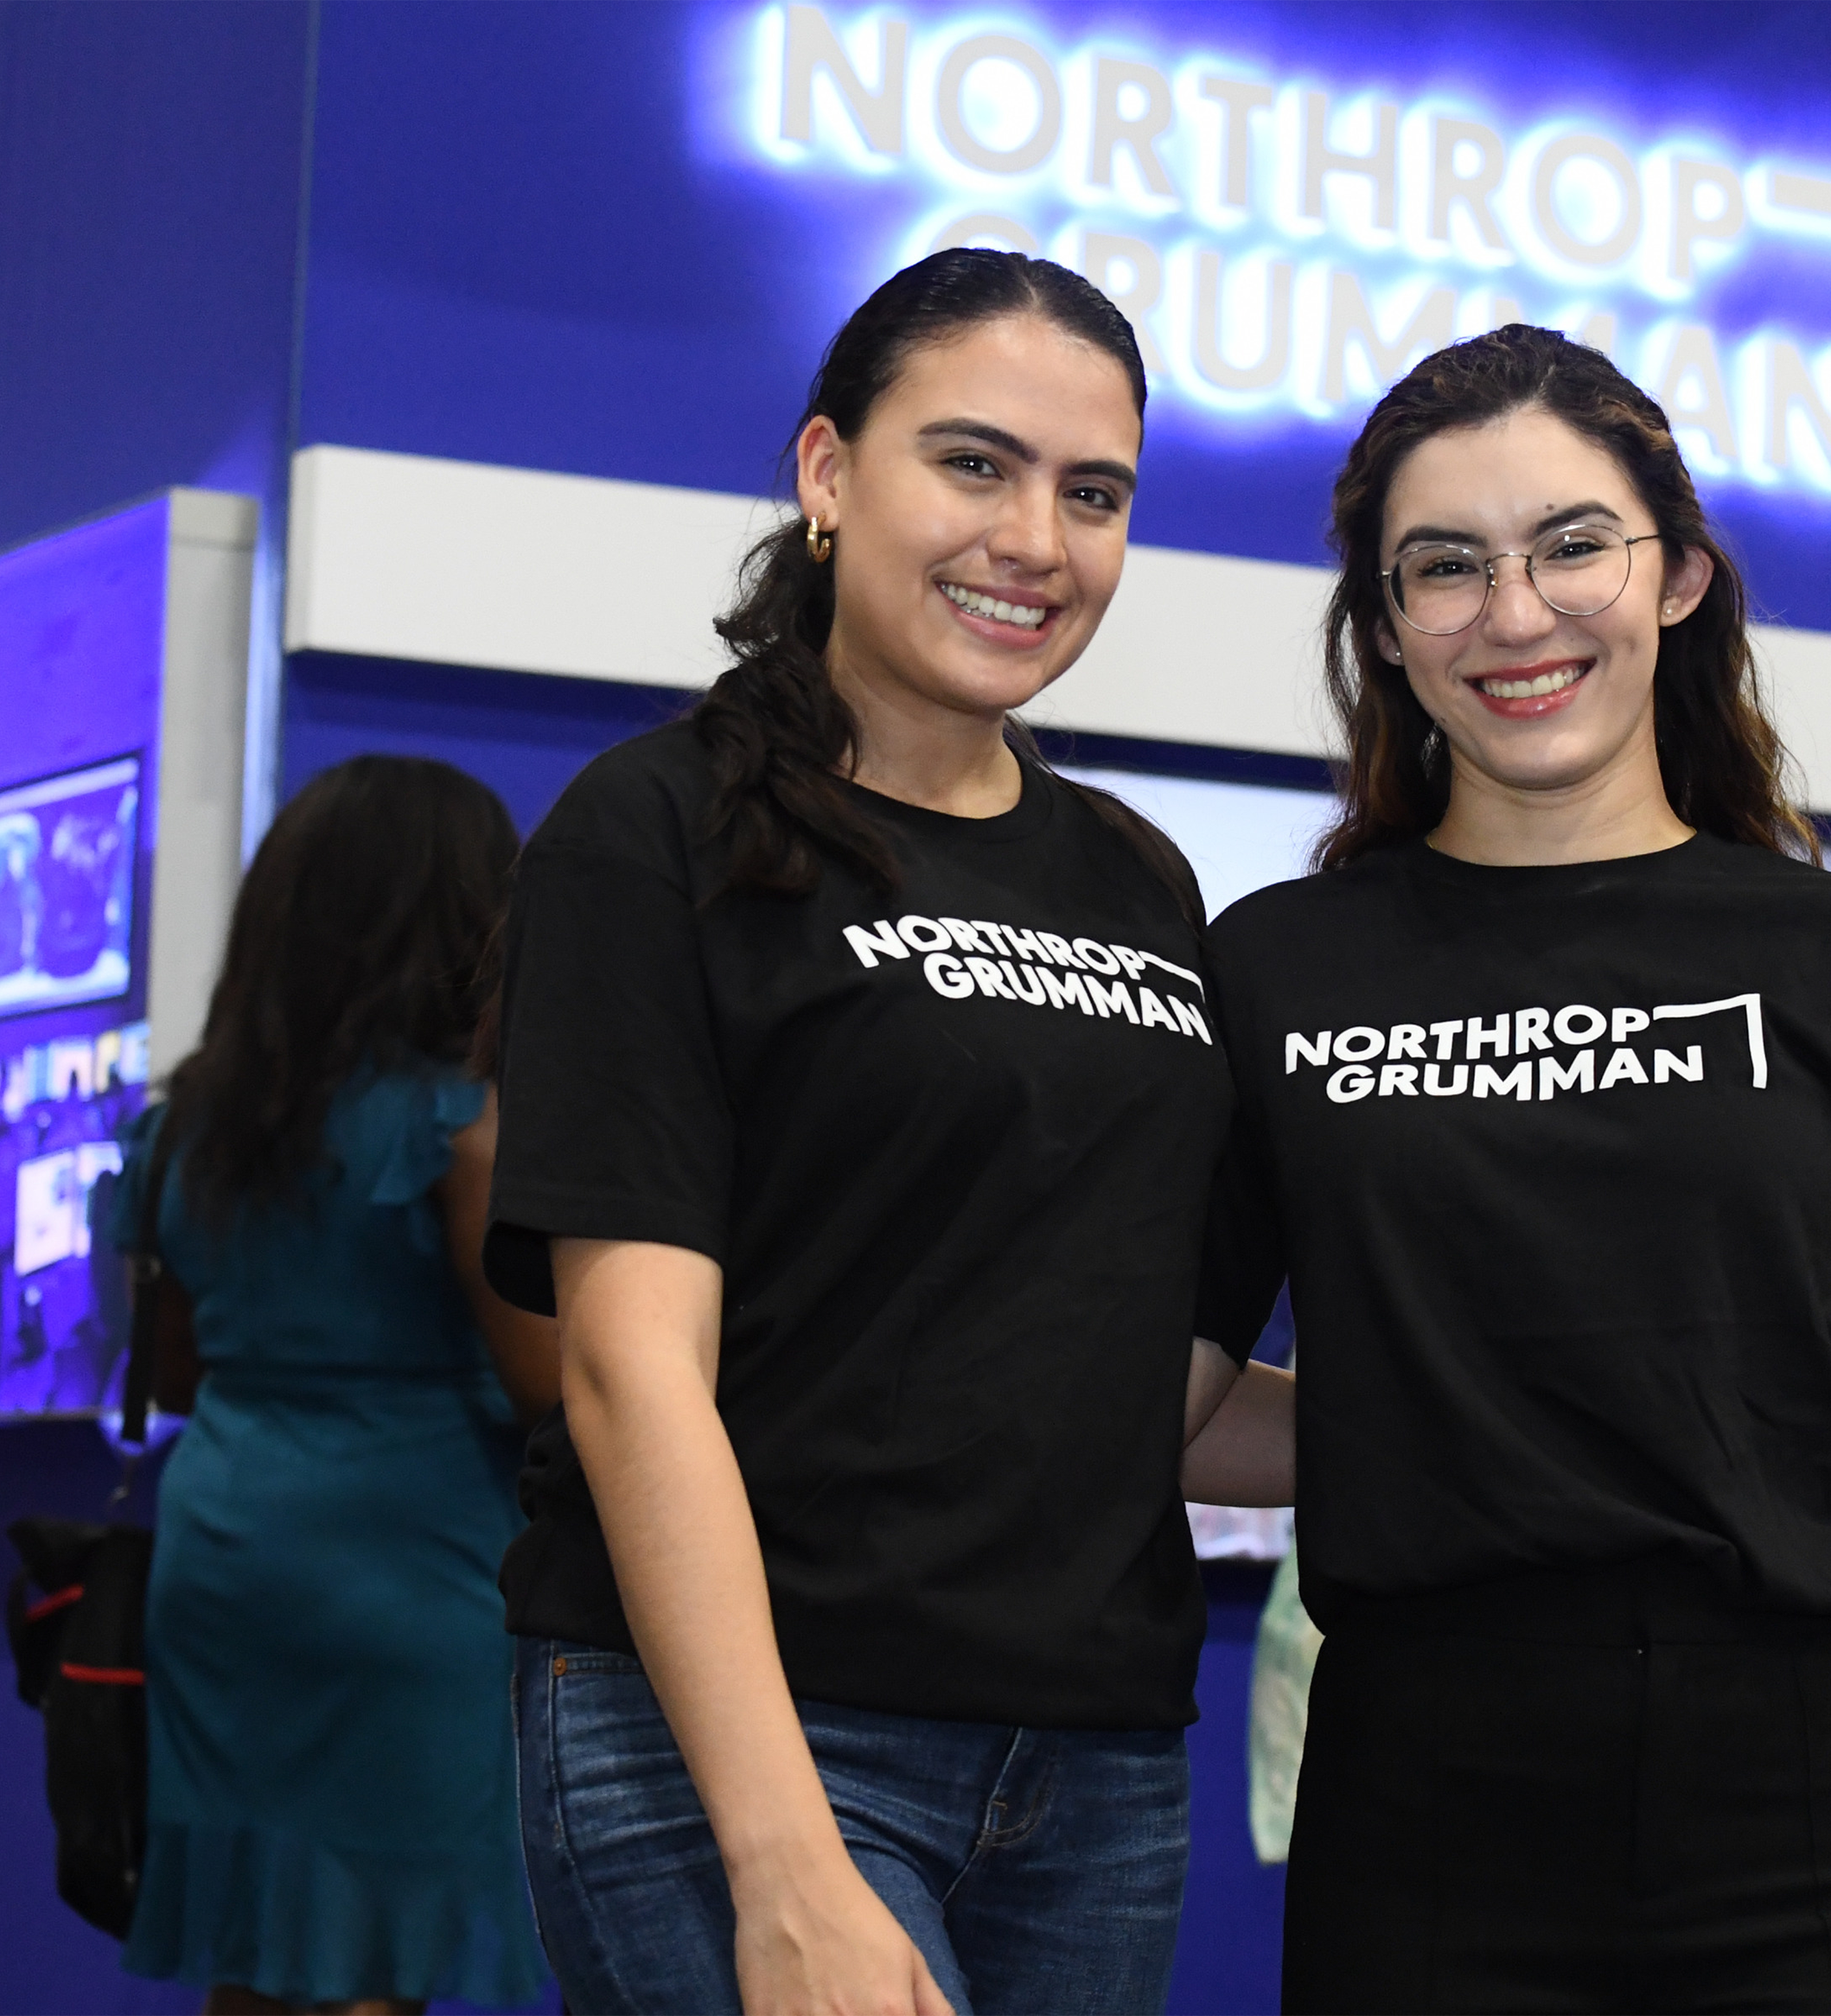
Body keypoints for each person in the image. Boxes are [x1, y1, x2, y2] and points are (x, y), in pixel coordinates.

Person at [1193, 324, 1831, 2015]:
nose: (1514, 614)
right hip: (1421, 1798)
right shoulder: (1280, 969)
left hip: (1803, 1792)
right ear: (1382, 624)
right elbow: (1170, 1392)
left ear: (1677, 578)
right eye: (1443, 567)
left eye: (1572, 543)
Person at [482, 248, 1291, 2016]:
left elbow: (1116, 1384)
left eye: (1093, 493)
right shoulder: (654, 833)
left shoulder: (1138, 878)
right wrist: (779, 1854)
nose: (1037, 538)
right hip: (753, 1728)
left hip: (1093, 1761)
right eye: (974, 462)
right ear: (830, 474)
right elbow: (628, 1374)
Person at [113, 756, 558, 2015]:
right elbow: (549, 1389)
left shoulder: (185, 1126)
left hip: (227, 1550)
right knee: (380, 1947)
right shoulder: (459, 1121)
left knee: (259, 1937)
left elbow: (176, 1362)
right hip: (413, 1563)